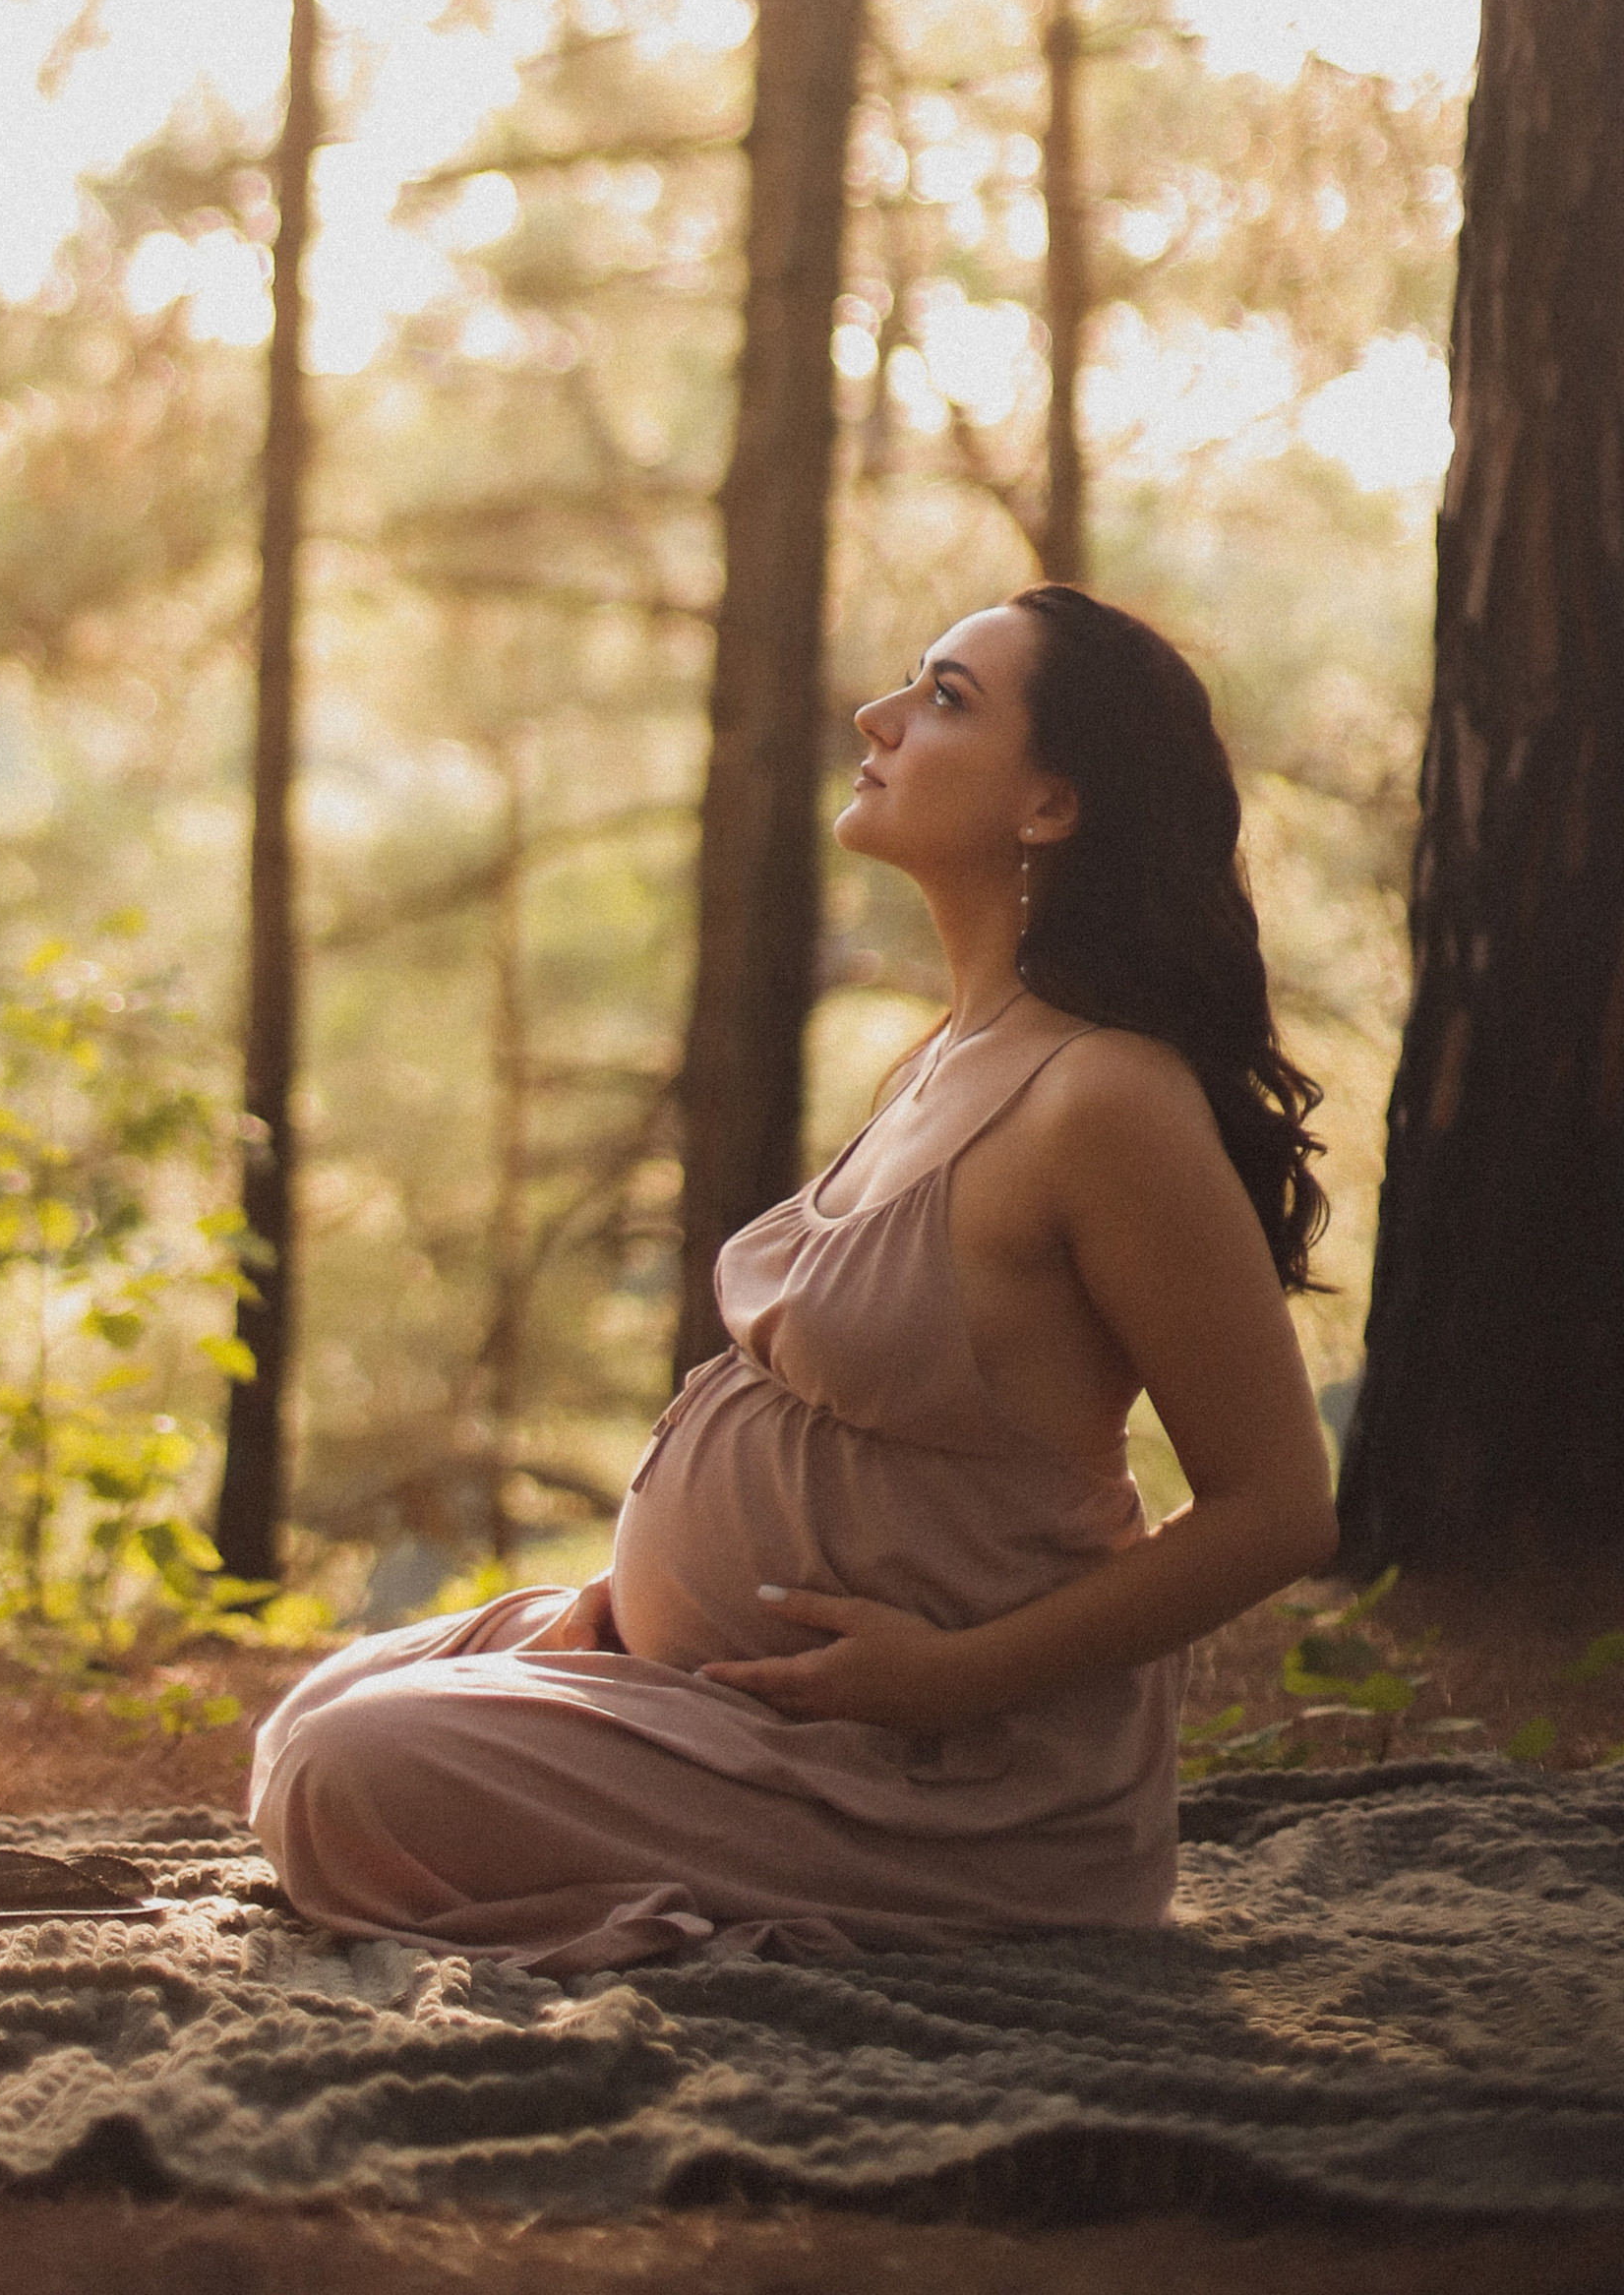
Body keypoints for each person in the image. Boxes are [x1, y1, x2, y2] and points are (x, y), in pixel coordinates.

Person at [251, 584, 1341, 1971]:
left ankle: (815, 1880)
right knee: (312, 1715)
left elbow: (1279, 1511)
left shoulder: (1103, 1099)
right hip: (755, 1708)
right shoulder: (948, 1056)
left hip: (941, 1771)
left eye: (946, 699)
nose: (877, 719)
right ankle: (635, 1731)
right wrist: (643, 1606)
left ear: (1050, 805)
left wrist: (947, 1677)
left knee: (344, 1772)